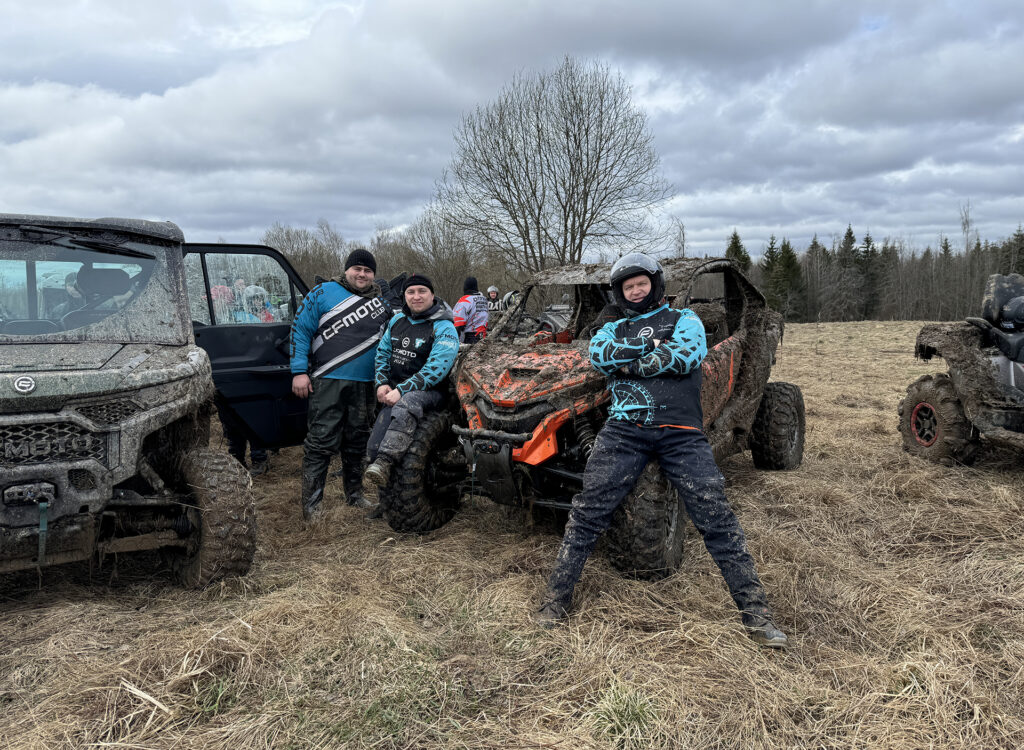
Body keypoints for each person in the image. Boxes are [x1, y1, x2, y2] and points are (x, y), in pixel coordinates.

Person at [535, 252, 789, 649]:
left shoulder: (684, 320)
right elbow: (600, 357)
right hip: (623, 432)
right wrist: (650, 353)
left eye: (642, 283)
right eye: (627, 286)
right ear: (619, 293)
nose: (636, 291)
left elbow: (685, 355)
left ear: (656, 284)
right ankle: (554, 602)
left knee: (716, 519)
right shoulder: (611, 327)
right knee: (587, 514)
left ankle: (757, 615)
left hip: (682, 434)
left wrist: (630, 363)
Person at [290, 248, 390, 521]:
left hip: (366, 385)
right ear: (347, 269)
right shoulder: (323, 293)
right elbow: (300, 330)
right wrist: (299, 371)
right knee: (320, 443)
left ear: (373, 275)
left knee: (357, 441)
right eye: (357, 269)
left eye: (368, 271)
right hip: (328, 380)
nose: (362, 274)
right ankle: (312, 508)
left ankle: (355, 495)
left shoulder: (381, 304)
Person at [362, 274, 459, 515]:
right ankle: (388, 503)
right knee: (373, 449)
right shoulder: (397, 321)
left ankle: (386, 461)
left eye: (422, 291)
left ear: (432, 295)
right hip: (394, 392)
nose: (416, 296)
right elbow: (383, 353)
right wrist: (381, 384)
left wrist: (401, 390)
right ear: (404, 296)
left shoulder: (444, 326)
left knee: (408, 402)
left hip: (431, 394)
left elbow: (436, 369)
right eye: (411, 292)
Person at [453, 276, 489, 343]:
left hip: (469, 338)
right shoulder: (484, 300)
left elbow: (458, 323)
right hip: (483, 336)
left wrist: (453, 341)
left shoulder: (464, 300)